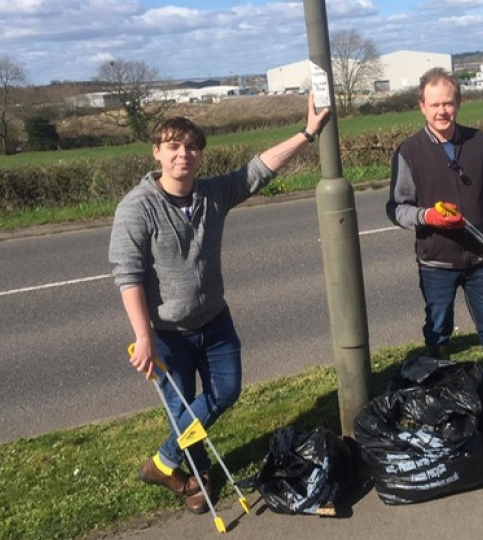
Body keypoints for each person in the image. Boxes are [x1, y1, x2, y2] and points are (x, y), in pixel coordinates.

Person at [108, 95, 329, 514]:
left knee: (224, 393)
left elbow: (258, 170)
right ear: (157, 152)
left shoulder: (211, 195)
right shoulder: (137, 208)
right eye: (173, 146)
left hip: (215, 321)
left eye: (191, 147)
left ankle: (162, 462)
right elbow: (128, 275)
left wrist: (307, 133)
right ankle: (197, 476)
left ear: (199, 154)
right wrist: (143, 337)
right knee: (183, 411)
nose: (183, 155)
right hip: (167, 334)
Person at [386, 67, 483, 367]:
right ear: (422, 106)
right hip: (436, 263)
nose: (442, 111)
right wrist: (427, 217)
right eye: (434, 105)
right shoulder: (408, 152)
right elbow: (396, 208)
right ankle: (441, 386)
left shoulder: (481, 143)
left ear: (459, 102)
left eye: (448, 103)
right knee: (438, 330)